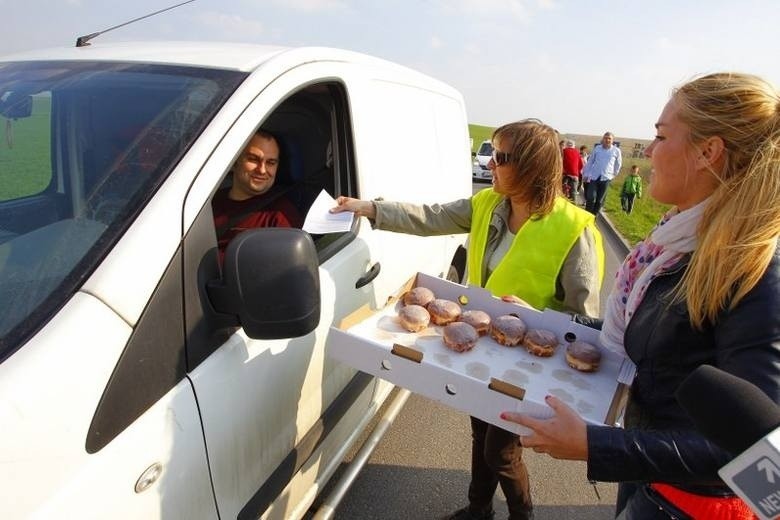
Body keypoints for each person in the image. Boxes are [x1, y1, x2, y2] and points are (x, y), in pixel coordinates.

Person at [500, 72, 780, 519]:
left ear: (708, 153)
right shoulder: (676, 243)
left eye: (660, 135)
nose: (648, 151)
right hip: (647, 478)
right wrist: (554, 321)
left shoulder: (756, 270)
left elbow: (753, 451)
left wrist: (598, 445)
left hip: (694, 505)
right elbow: (646, 335)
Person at [331, 119, 605, 520]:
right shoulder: (488, 204)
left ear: (529, 165)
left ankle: (521, 514)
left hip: (527, 367)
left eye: (500, 156)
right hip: (482, 354)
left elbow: (584, 322)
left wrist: (531, 315)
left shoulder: (574, 229)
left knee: (500, 450)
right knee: (480, 432)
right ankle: (478, 510)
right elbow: (430, 216)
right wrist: (369, 208)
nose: (489, 164)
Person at [212, 129, 302, 262]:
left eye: (271, 162)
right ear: (235, 161)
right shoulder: (207, 202)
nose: (262, 170)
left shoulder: (281, 216)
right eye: (253, 159)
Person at [582, 132, 622, 215]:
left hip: (606, 178)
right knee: (590, 197)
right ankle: (586, 215)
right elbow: (590, 162)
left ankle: (593, 216)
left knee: (599, 200)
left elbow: (618, 164)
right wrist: (586, 174)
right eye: (605, 138)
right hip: (594, 177)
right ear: (603, 139)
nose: (607, 140)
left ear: (612, 141)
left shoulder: (616, 151)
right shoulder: (597, 148)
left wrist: (613, 175)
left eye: (609, 138)